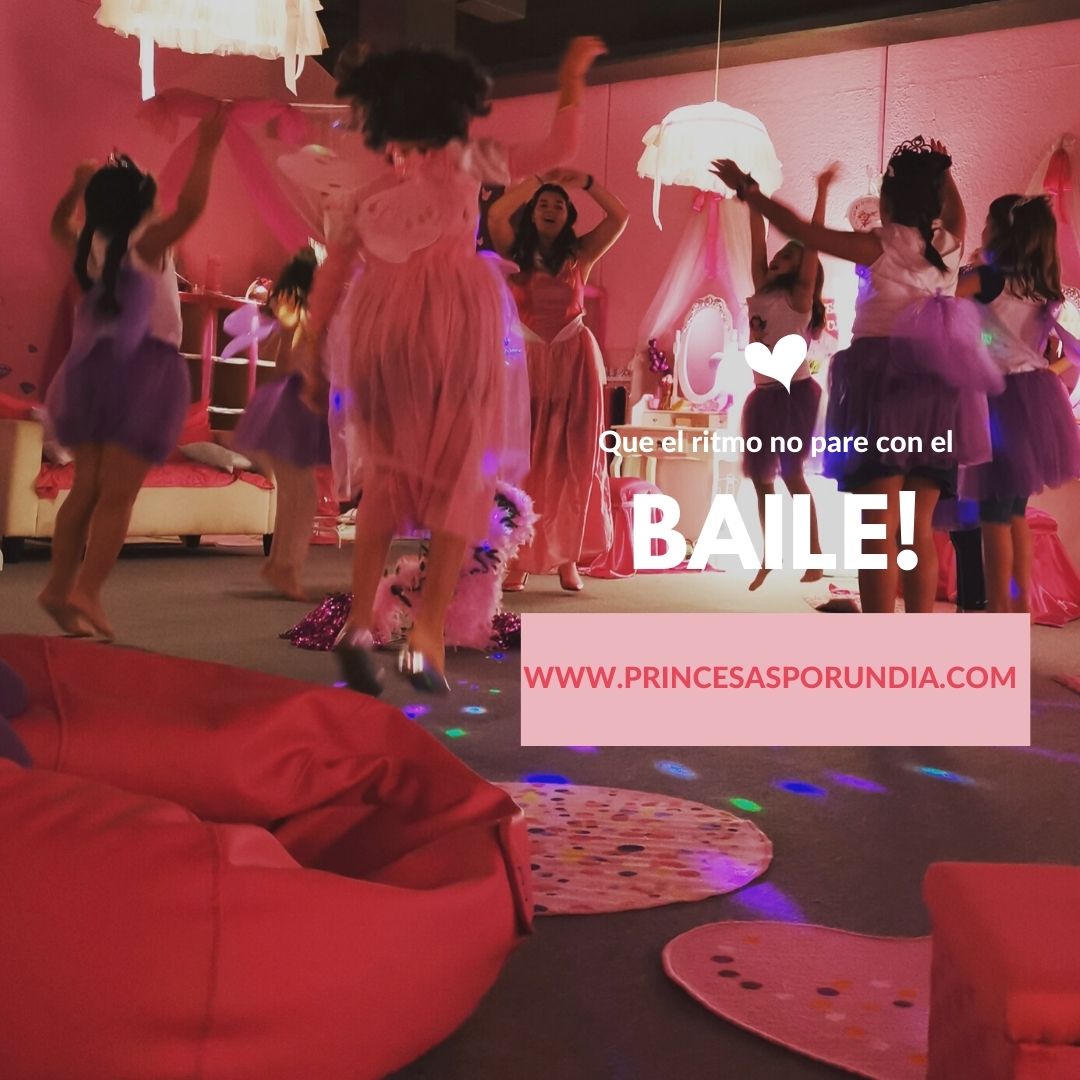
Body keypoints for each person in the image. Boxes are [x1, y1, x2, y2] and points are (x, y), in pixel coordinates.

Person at [305, 37, 605, 694]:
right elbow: (560, 145)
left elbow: (331, 279)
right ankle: (428, 635)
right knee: (464, 480)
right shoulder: (467, 160)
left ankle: (357, 624)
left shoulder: (368, 194)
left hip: (383, 338)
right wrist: (571, 76)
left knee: (387, 476)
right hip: (453, 333)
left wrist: (307, 356)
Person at [713, 137, 1002, 613]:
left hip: (883, 387)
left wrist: (749, 190)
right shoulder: (948, 244)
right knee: (917, 532)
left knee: (878, 531)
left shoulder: (880, 245)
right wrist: (943, 168)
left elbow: (798, 229)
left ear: (887, 203)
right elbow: (956, 209)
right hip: (936, 392)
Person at [39, 108, 228, 639]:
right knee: (119, 494)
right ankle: (87, 590)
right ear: (143, 203)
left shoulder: (87, 241)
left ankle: (58, 586)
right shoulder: (148, 242)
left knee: (86, 488)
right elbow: (190, 209)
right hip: (141, 374)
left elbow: (56, 225)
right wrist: (209, 145)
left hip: (91, 372)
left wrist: (76, 187)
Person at [487, 167, 627, 592]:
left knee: (573, 461)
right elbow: (497, 214)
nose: (550, 210)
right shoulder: (514, 250)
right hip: (524, 360)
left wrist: (586, 184)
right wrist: (537, 181)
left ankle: (569, 558)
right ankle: (520, 558)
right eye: (543, 205)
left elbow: (619, 217)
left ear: (569, 216)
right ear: (532, 213)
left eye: (559, 205)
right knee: (523, 461)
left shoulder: (579, 255)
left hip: (572, 360)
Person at [954, 194, 1080, 612]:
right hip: (1035, 401)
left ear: (1001, 233)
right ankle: (1019, 605)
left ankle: (998, 610)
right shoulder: (1044, 289)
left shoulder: (984, 278)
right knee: (1015, 514)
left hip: (996, 400)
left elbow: (944, 307)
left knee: (992, 514)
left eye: (988, 224)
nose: (983, 231)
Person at [739, 165, 835, 591]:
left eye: (788, 258)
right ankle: (769, 555)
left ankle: (815, 555)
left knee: (792, 475)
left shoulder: (799, 298)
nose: (777, 259)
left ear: (801, 272)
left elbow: (812, 244)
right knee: (762, 480)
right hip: (763, 395)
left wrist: (822, 193)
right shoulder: (761, 287)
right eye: (779, 256)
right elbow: (757, 239)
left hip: (794, 394)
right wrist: (750, 196)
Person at [229, 248, 327, 601]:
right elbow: (287, 363)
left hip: (295, 405)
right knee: (300, 495)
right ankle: (286, 567)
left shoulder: (304, 313)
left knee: (296, 494)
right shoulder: (298, 314)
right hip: (293, 407)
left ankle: (281, 565)